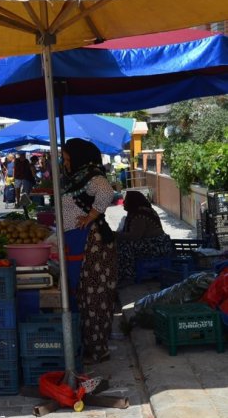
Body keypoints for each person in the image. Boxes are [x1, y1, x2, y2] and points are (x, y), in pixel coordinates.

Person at [61, 138, 117, 365]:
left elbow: (106, 192)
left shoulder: (91, 175)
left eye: (67, 159)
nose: (64, 163)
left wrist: (91, 216)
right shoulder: (76, 177)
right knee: (81, 294)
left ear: (79, 157)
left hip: (92, 244)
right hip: (77, 240)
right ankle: (85, 345)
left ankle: (97, 348)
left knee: (93, 296)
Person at [116, 191, 174, 284]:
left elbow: (134, 236)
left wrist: (115, 235)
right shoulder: (140, 211)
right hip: (155, 243)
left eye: (126, 200)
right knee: (122, 244)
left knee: (124, 247)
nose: (123, 203)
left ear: (132, 202)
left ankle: (127, 276)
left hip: (158, 246)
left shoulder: (140, 214)